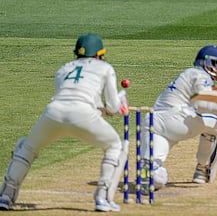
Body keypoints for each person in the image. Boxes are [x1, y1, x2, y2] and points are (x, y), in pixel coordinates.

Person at [0, 33, 129, 212]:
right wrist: (122, 106)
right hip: (83, 114)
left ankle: (5, 196)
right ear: (99, 54)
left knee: (27, 147)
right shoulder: (105, 68)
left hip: (53, 113)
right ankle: (103, 198)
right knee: (115, 145)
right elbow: (113, 108)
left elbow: (72, 96)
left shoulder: (63, 69)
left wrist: (102, 108)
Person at [139, 45, 217, 190]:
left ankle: (150, 172)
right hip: (177, 120)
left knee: (155, 176)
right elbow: (206, 98)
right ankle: (203, 169)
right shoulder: (197, 74)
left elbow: (210, 94)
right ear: (209, 63)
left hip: (153, 124)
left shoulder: (188, 75)